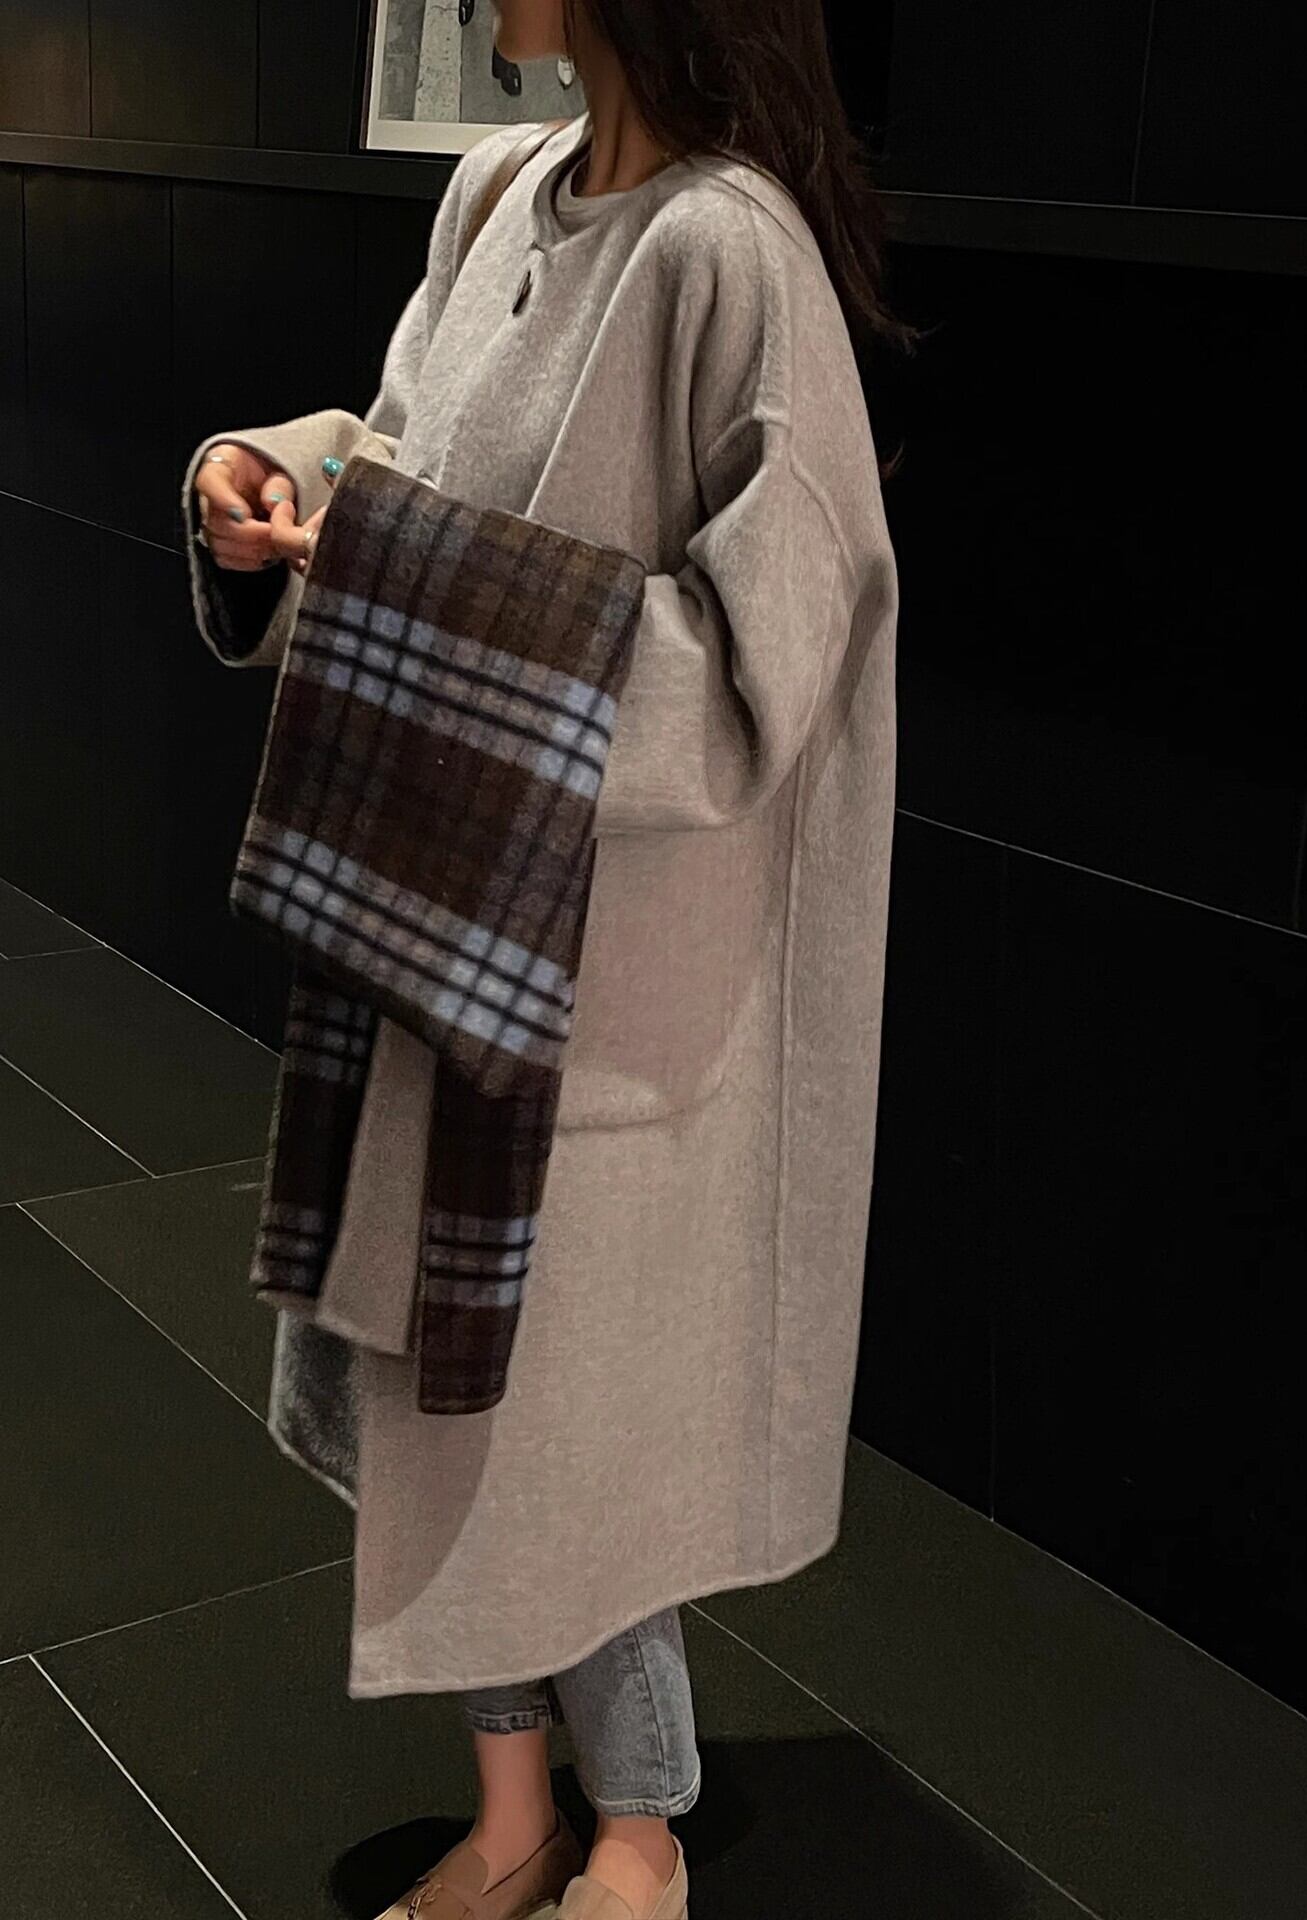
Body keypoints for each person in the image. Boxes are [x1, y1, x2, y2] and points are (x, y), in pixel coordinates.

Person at [185, 2, 911, 1916]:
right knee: (434, 1405)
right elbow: (405, 455)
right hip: (439, 915)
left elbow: (773, 653)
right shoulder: (499, 190)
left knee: (561, 1435)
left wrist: (403, 584)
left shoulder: (729, 252)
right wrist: (279, 479)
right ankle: (515, 1819)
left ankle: (641, 1834)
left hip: (600, 978)